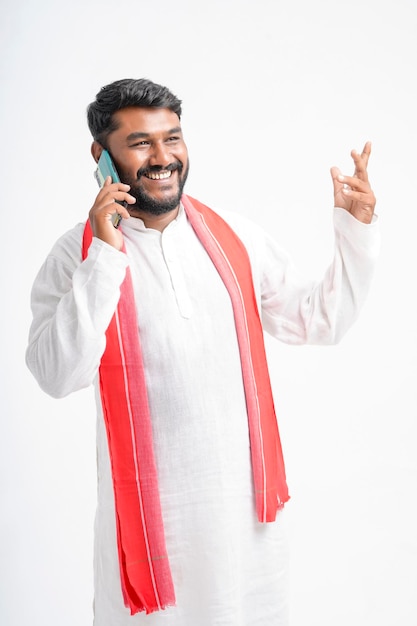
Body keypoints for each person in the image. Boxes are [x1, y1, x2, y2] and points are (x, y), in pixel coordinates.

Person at [26, 78, 379, 626]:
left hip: (249, 545)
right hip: (149, 552)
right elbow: (56, 374)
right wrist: (105, 259)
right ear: (101, 155)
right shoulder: (77, 257)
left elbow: (320, 319)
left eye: (173, 138)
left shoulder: (233, 235)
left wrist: (354, 233)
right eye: (140, 142)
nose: (163, 157)